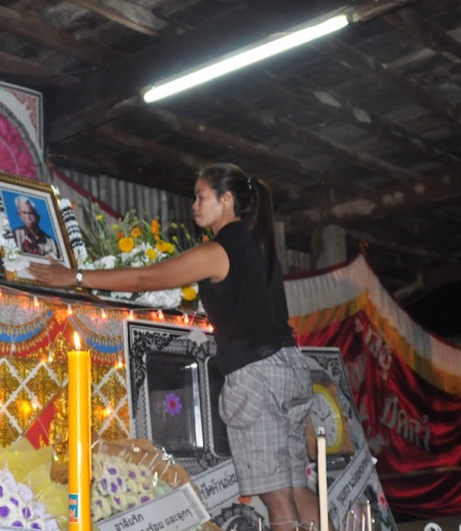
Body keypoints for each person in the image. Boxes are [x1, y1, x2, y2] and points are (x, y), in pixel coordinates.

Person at [30, 163, 322, 531]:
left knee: (278, 501)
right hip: (289, 366)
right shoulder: (259, 246)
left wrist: (74, 277)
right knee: (298, 489)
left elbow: (145, 277)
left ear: (226, 200)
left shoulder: (220, 249)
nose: (194, 206)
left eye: (201, 197)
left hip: (257, 375)